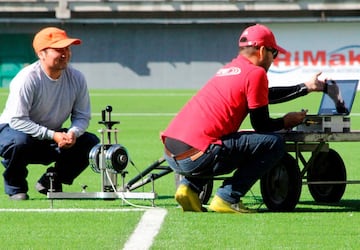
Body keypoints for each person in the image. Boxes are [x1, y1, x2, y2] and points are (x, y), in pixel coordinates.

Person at [161, 24, 336, 213]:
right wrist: (286, 121)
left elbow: (262, 96)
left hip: (172, 152)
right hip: (198, 156)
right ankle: (228, 197)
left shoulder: (230, 69)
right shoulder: (256, 73)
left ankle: (188, 188)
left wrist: (305, 87)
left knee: (226, 139)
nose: (273, 59)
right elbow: (261, 124)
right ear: (262, 50)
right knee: (273, 143)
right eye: (274, 53)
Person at [0, 27, 100, 200]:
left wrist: (72, 133)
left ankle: (51, 180)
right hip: (13, 131)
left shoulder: (77, 78)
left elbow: (82, 116)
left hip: (51, 134)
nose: (65, 54)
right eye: (59, 50)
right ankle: (16, 188)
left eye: (67, 49)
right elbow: (17, 120)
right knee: (19, 142)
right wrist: (53, 135)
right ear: (41, 54)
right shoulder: (27, 78)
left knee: (90, 142)